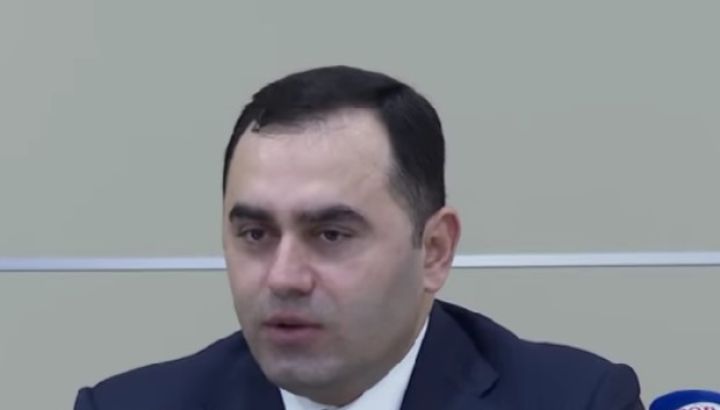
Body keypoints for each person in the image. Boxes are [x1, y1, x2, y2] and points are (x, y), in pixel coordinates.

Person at [74, 65, 644, 410]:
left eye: (330, 234)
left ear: (435, 251)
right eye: (254, 233)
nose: (283, 277)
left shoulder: (578, 400)